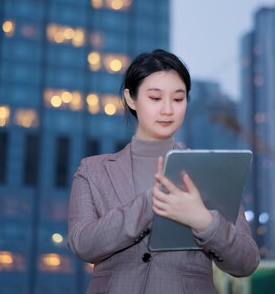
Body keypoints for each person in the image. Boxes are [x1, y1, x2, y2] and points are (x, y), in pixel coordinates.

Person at [68, 49, 259, 293]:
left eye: (178, 99)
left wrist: (204, 221)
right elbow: (82, 243)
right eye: (155, 98)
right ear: (131, 98)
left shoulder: (210, 170)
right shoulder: (92, 171)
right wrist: (150, 203)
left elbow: (247, 261)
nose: (168, 110)